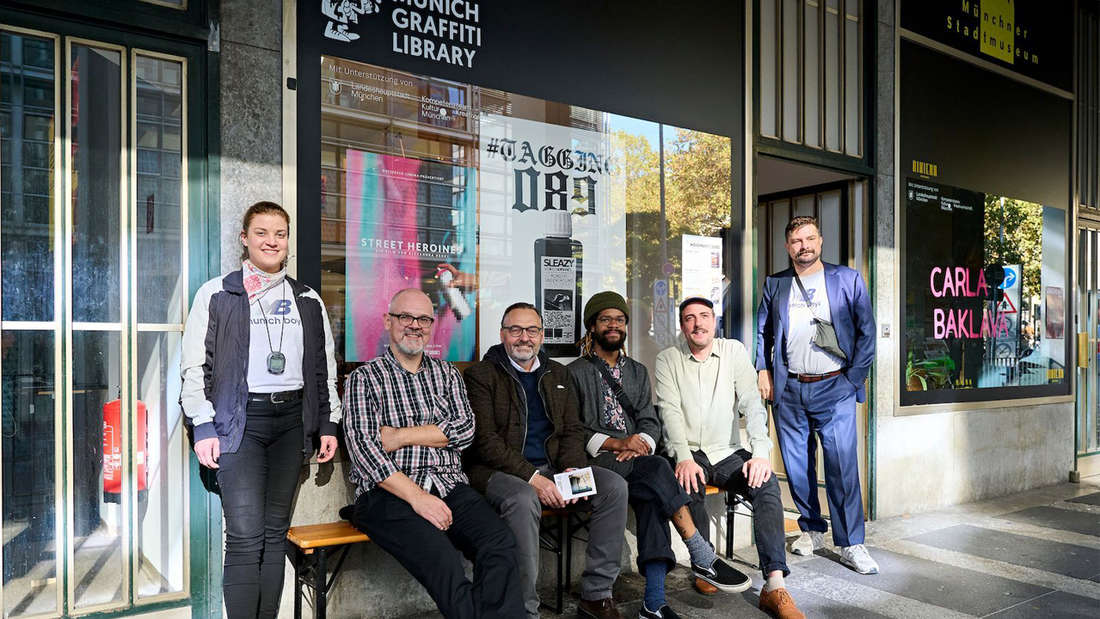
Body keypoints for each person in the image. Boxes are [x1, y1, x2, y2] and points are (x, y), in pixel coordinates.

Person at [181, 201, 341, 619]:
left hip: (291, 423)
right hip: (239, 424)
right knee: (245, 537)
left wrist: (327, 423)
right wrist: (202, 424)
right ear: (245, 239)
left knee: (274, 535)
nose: (272, 241)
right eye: (262, 232)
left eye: (280, 234)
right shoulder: (217, 293)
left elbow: (324, 367)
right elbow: (194, 367)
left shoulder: (307, 299)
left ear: (288, 242)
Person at [342, 288, 523, 618]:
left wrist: (397, 437)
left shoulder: (448, 374)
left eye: (423, 319)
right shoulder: (364, 379)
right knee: (444, 561)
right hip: (389, 494)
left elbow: (466, 431)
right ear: (388, 321)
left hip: (450, 486)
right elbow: (366, 451)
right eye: (406, 317)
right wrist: (417, 497)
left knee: (501, 545)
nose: (415, 325)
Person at [569, 292, 750, 619]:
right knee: (657, 470)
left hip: (637, 462)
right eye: (606, 319)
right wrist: (615, 444)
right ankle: (700, 552)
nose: (614, 325)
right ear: (592, 326)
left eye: (620, 320)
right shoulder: (574, 373)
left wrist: (641, 441)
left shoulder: (637, 371)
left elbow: (650, 421)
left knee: (653, 497)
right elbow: (571, 429)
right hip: (598, 465)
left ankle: (653, 603)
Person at [463, 302, 629, 619]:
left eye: (531, 330)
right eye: (515, 330)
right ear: (502, 335)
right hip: (500, 475)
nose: (523, 337)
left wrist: (571, 470)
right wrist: (534, 480)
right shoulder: (481, 375)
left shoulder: (558, 373)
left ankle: (596, 595)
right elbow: (485, 441)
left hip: (553, 472)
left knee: (613, 487)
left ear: (541, 335)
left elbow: (572, 431)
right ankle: (524, 610)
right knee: (524, 500)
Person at [655, 296, 805, 619]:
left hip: (726, 450)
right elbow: (669, 412)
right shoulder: (667, 359)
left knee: (766, 484)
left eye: (704, 316)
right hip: (689, 450)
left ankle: (774, 586)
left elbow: (752, 403)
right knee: (687, 478)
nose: (698, 323)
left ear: (714, 320)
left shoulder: (734, 351)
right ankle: (705, 566)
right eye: (690, 318)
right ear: (682, 326)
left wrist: (761, 453)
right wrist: (682, 456)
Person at [755, 215, 878, 575]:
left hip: (834, 385)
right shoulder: (775, 284)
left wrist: (851, 379)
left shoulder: (847, 279)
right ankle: (811, 529)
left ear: (821, 242)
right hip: (789, 388)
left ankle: (852, 543)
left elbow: (866, 334)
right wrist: (763, 369)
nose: (803, 246)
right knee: (796, 466)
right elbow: (762, 332)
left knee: (842, 467)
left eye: (809, 238)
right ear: (787, 246)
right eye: (796, 240)